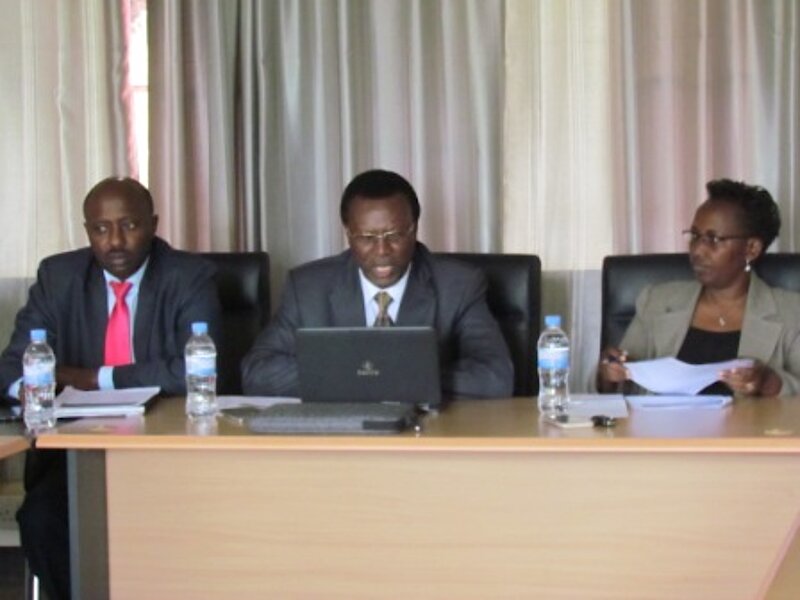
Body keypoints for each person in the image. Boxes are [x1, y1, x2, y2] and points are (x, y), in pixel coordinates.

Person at [0, 177, 221, 600]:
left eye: (129, 225)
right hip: (77, 455)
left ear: (154, 224)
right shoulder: (58, 277)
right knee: (43, 520)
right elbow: (13, 362)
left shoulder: (189, 276)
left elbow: (192, 371)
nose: (115, 241)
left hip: (169, 449)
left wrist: (93, 378)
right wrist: (28, 388)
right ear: (87, 231)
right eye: (101, 229)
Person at [242, 169, 513, 399]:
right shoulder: (308, 288)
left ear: (414, 228)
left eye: (395, 235)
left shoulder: (458, 285)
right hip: (339, 436)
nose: (382, 250)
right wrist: (359, 376)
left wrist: (392, 377)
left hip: (425, 435)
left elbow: (496, 377)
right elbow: (257, 372)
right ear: (348, 233)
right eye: (367, 238)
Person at [598, 178, 800, 396]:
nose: (697, 250)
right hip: (663, 419)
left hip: (749, 420)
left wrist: (769, 383)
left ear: (751, 248)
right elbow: (617, 386)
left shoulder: (791, 312)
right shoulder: (657, 301)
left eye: (713, 239)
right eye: (695, 236)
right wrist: (609, 374)